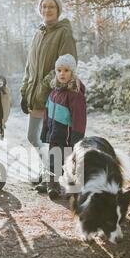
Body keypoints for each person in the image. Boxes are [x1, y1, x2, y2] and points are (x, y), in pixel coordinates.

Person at [20, 0, 77, 184]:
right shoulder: (38, 33)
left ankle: (52, 175)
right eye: (44, 6)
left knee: (52, 139)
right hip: (36, 96)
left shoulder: (63, 32)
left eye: (51, 6)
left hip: (55, 96)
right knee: (33, 136)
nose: (47, 10)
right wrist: (24, 90)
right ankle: (50, 172)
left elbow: (67, 64)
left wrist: (45, 86)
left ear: (58, 10)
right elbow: (30, 66)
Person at [36, 54, 86, 199]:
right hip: (54, 135)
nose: (62, 74)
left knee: (68, 162)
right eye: (59, 70)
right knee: (53, 160)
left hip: (68, 136)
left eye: (66, 70)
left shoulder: (74, 95)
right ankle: (51, 184)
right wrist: (45, 131)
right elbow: (47, 113)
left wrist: (76, 137)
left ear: (72, 72)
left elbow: (79, 118)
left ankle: (69, 187)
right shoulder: (53, 93)